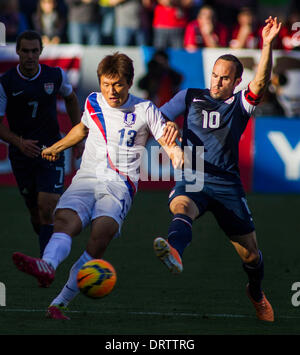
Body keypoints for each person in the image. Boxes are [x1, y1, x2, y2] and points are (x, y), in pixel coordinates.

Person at [11, 52, 183, 319]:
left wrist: (176, 154)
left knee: (100, 237)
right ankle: (47, 265)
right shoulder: (93, 101)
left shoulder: (144, 109)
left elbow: (167, 140)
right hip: (87, 176)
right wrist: (58, 147)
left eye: (117, 84)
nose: (111, 91)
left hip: (119, 185)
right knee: (66, 221)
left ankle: (59, 302)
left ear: (129, 82)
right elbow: (82, 128)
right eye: (105, 84)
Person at [153, 16, 282, 322]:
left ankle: (256, 292)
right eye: (214, 75)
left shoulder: (240, 105)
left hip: (227, 184)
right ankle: (173, 252)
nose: (217, 82)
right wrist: (168, 130)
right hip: (193, 172)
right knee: (181, 207)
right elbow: (155, 119)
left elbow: (260, 83)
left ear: (237, 81)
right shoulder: (189, 96)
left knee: (250, 254)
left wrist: (266, 45)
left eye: (225, 78)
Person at [0, 30, 83, 259]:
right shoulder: (5, 83)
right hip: (21, 154)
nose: (30, 56)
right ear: (17, 51)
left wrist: (79, 135)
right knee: (36, 212)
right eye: (25, 51)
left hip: (52, 149)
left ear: (41, 52)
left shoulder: (55, 75)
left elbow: (71, 99)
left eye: (34, 51)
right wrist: (19, 142)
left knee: (48, 207)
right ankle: (47, 244)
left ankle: (46, 264)